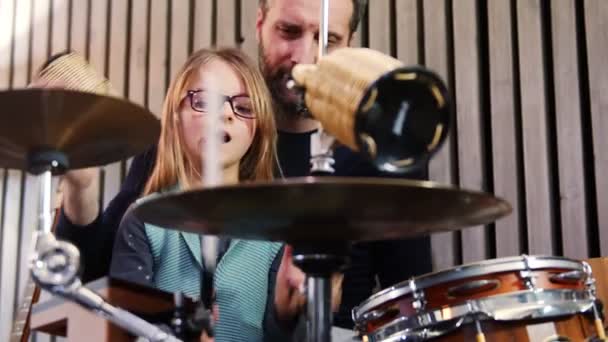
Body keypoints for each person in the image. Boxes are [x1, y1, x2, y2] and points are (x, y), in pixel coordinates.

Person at [55, 0, 433, 331]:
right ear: (260, 25)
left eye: (328, 39)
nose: (305, 55)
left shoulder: (381, 155)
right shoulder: (187, 146)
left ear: (349, 43)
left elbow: (413, 305)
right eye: (289, 30)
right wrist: (81, 189)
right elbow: (97, 288)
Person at [109, 47, 295, 341]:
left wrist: (291, 316)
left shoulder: (277, 231)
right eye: (205, 101)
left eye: (244, 107)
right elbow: (124, 330)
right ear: (175, 116)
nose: (224, 114)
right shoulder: (143, 219)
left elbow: (280, 335)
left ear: (258, 130)